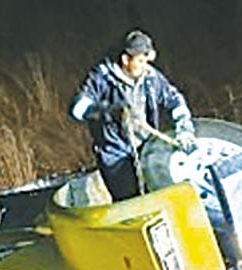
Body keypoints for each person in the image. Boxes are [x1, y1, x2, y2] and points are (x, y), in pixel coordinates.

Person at [69, 29, 197, 201]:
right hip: (115, 155)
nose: (146, 66)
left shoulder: (150, 78)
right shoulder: (102, 78)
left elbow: (174, 100)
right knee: (130, 202)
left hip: (146, 148)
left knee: (157, 196)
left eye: (147, 61)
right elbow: (77, 109)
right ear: (125, 59)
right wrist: (107, 111)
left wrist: (184, 128)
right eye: (141, 61)